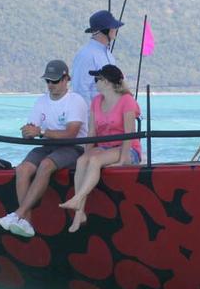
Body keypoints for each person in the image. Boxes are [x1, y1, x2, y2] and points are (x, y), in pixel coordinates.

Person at [0, 61, 88, 238]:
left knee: (46, 165)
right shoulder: (41, 101)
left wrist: (42, 132)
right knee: (22, 169)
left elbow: (71, 133)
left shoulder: (75, 100)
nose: (50, 85)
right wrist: (28, 132)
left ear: (65, 79)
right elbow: (32, 128)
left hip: (72, 147)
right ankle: (26, 222)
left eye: (54, 81)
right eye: (47, 81)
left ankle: (18, 214)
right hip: (47, 145)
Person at [60, 64, 141, 232]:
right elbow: (91, 132)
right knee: (83, 160)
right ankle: (79, 213)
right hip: (105, 147)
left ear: (106, 82)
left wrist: (122, 160)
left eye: (97, 79)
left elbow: (129, 134)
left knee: (95, 160)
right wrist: (87, 152)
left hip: (127, 148)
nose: (94, 82)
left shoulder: (127, 101)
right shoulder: (96, 101)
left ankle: (78, 198)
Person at [71, 9, 124, 104]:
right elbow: (80, 90)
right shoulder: (86, 55)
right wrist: (92, 117)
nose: (116, 29)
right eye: (113, 27)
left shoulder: (109, 55)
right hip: (95, 116)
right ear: (105, 30)